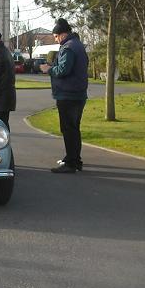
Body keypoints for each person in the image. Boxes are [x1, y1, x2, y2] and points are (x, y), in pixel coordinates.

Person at [41, 18, 89, 173]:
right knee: (74, 129)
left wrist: (48, 69)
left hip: (68, 95)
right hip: (78, 94)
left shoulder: (68, 47)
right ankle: (74, 159)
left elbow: (63, 70)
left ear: (63, 34)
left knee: (68, 129)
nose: (56, 39)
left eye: (56, 36)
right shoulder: (78, 45)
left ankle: (71, 163)